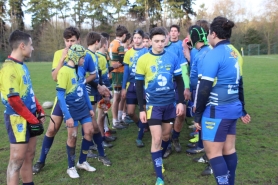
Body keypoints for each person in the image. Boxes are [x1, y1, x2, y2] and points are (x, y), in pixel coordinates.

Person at [193, 16, 251, 185]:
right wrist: (242, 108)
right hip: (233, 108)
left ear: (214, 34)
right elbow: (240, 84)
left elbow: (204, 88)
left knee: (213, 153)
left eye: (209, 34)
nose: (208, 37)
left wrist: (197, 116)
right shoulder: (235, 52)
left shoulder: (214, 54)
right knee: (228, 149)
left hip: (217, 110)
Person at [32, 26, 97, 174]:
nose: (69, 44)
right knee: (52, 129)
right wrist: (62, 58)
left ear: (78, 40)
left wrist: (83, 84)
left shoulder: (84, 55)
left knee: (86, 130)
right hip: (63, 100)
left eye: (72, 41)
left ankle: (80, 162)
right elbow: (55, 77)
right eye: (67, 41)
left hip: (79, 99)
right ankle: (41, 161)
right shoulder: (58, 55)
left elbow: (93, 74)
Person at [135, 27, 184, 185]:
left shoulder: (172, 56)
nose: (160, 44)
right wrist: (142, 109)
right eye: (156, 41)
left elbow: (179, 80)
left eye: (162, 41)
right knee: (156, 139)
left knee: (165, 136)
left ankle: (159, 159)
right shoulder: (143, 59)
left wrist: (181, 102)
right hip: (152, 106)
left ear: (166, 39)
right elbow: (138, 85)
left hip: (169, 105)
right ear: (150, 41)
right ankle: (159, 178)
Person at [0, 30, 45, 185]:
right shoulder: (9, 68)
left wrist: (39, 109)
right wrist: (33, 119)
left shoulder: (22, 66)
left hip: (29, 116)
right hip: (16, 119)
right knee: (17, 160)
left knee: (29, 155)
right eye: (31, 45)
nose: (32, 48)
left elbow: (28, 91)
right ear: (22, 46)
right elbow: (14, 101)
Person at [56, 44, 96, 178]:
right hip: (71, 110)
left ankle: (82, 161)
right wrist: (67, 116)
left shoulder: (80, 71)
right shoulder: (64, 71)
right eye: (83, 57)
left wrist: (90, 108)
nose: (84, 60)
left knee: (89, 131)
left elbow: (83, 90)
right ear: (76, 56)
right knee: (72, 137)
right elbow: (60, 96)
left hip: (83, 108)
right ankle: (71, 166)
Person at [161, 27, 190, 158]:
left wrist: (186, 87)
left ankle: (175, 138)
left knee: (181, 113)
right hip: (163, 87)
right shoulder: (154, 51)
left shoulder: (180, 46)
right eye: (169, 32)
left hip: (177, 84)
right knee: (165, 116)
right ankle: (165, 144)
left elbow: (183, 68)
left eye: (174, 31)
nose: (171, 34)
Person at [121, 29, 148, 147]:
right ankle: (142, 126)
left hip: (142, 85)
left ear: (142, 39)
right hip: (131, 85)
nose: (136, 40)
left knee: (143, 110)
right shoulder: (128, 53)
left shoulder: (147, 52)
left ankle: (139, 137)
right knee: (131, 112)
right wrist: (123, 87)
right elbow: (126, 71)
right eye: (135, 38)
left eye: (139, 38)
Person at [108, 25, 129, 129]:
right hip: (119, 73)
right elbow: (122, 61)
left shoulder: (111, 43)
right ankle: (115, 121)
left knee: (119, 97)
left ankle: (118, 119)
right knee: (117, 98)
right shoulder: (120, 45)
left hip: (114, 73)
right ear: (124, 35)